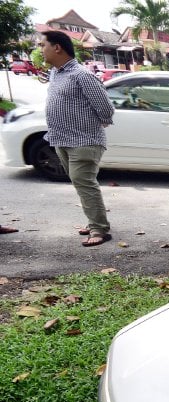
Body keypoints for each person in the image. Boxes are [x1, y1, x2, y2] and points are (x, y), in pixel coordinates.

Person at [40, 30, 115, 247]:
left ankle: (100, 229)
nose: (40, 50)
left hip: (84, 140)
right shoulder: (56, 73)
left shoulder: (82, 75)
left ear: (57, 47)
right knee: (79, 183)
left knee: (85, 183)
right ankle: (94, 222)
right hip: (61, 139)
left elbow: (105, 108)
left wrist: (98, 123)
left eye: (43, 45)